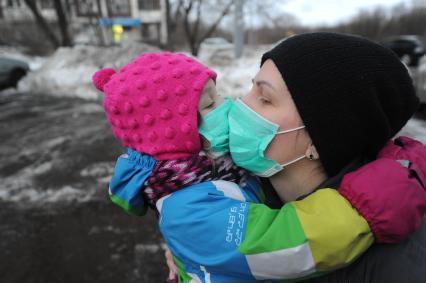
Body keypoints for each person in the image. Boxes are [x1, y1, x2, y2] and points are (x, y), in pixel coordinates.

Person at [91, 51, 426, 282]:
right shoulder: (191, 207)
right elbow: (285, 240)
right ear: (173, 137)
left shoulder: (215, 172)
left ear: (324, 132)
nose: (237, 106)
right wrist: (370, 202)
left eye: (264, 98)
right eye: (210, 105)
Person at [227, 32, 426, 282]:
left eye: (265, 99)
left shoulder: (397, 269)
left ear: (321, 140)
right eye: (251, 88)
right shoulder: (239, 200)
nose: (242, 104)